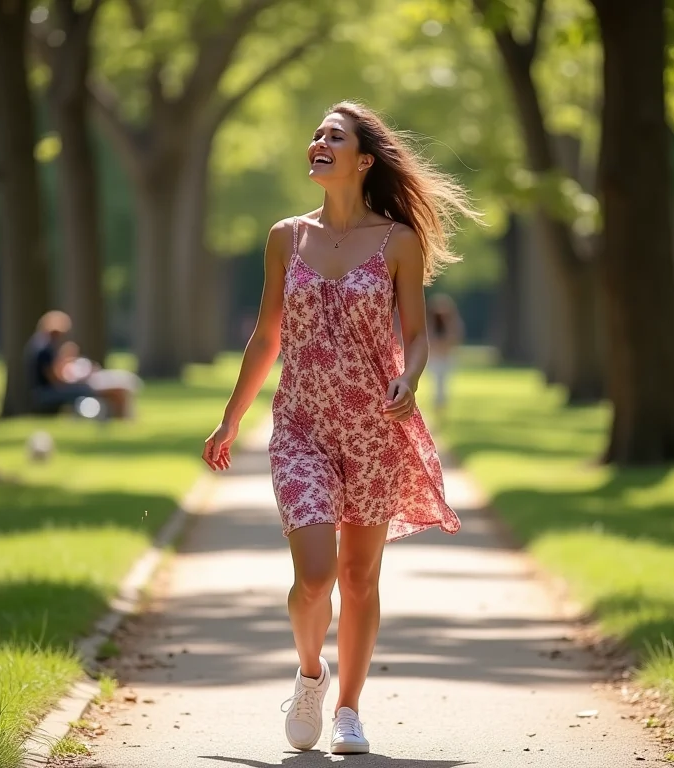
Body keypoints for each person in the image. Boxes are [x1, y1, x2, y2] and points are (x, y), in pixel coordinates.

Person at [202, 101, 479, 755]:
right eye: (316, 133)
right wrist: (230, 416)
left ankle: (349, 711)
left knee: (359, 578)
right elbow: (268, 334)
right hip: (300, 424)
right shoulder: (284, 236)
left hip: (372, 429)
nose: (318, 142)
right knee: (316, 576)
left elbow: (415, 336)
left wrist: (409, 380)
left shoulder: (397, 242)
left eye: (335, 136)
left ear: (363, 160)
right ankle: (308, 676)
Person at [25, 311, 138, 419]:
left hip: (49, 390)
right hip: (48, 392)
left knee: (115, 390)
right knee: (116, 391)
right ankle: (123, 419)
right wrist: (77, 378)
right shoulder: (44, 349)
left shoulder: (41, 345)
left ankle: (120, 419)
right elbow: (55, 379)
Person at [426, 292, 464, 422]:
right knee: (437, 383)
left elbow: (454, 338)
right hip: (435, 358)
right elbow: (429, 339)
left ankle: (440, 407)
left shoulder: (451, 323)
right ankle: (438, 406)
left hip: (446, 358)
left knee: (443, 383)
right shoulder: (430, 323)